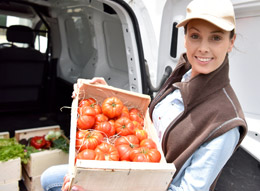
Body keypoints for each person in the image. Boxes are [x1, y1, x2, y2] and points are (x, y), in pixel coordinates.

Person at [41, 0, 248, 190]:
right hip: (133, 166)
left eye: (216, 38)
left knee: (53, 183)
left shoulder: (225, 121)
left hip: (148, 185)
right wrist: (112, 96)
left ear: (231, 42)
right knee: (49, 177)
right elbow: (148, 123)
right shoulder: (182, 74)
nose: (203, 48)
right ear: (185, 39)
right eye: (195, 36)